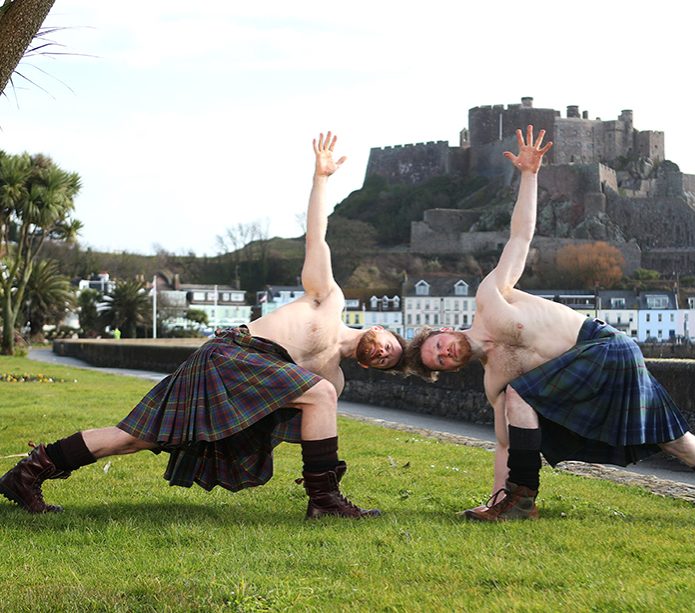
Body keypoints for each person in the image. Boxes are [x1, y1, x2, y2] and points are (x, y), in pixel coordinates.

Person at [0, 132, 404, 519]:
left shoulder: (331, 380)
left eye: (387, 361)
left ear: (372, 365)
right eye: (390, 344)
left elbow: (287, 419)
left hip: (240, 385)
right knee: (318, 393)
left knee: (134, 438)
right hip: (231, 355)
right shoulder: (329, 300)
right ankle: (326, 502)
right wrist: (320, 179)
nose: (385, 352)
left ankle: (27, 475)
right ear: (379, 329)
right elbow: (317, 238)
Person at [405, 125, 695, 530]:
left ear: (443, 330)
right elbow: (505, 445)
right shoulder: (495, 382)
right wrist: (492, 497)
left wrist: (529, 176)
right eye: (439, 361)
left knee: (519, 397)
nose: (444, 353)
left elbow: (520, 237)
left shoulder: (490, 297)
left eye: (438, 345)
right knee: (673, 439)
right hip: (599, 373)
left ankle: (521, 501)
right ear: (450, 370)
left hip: (605, 347)